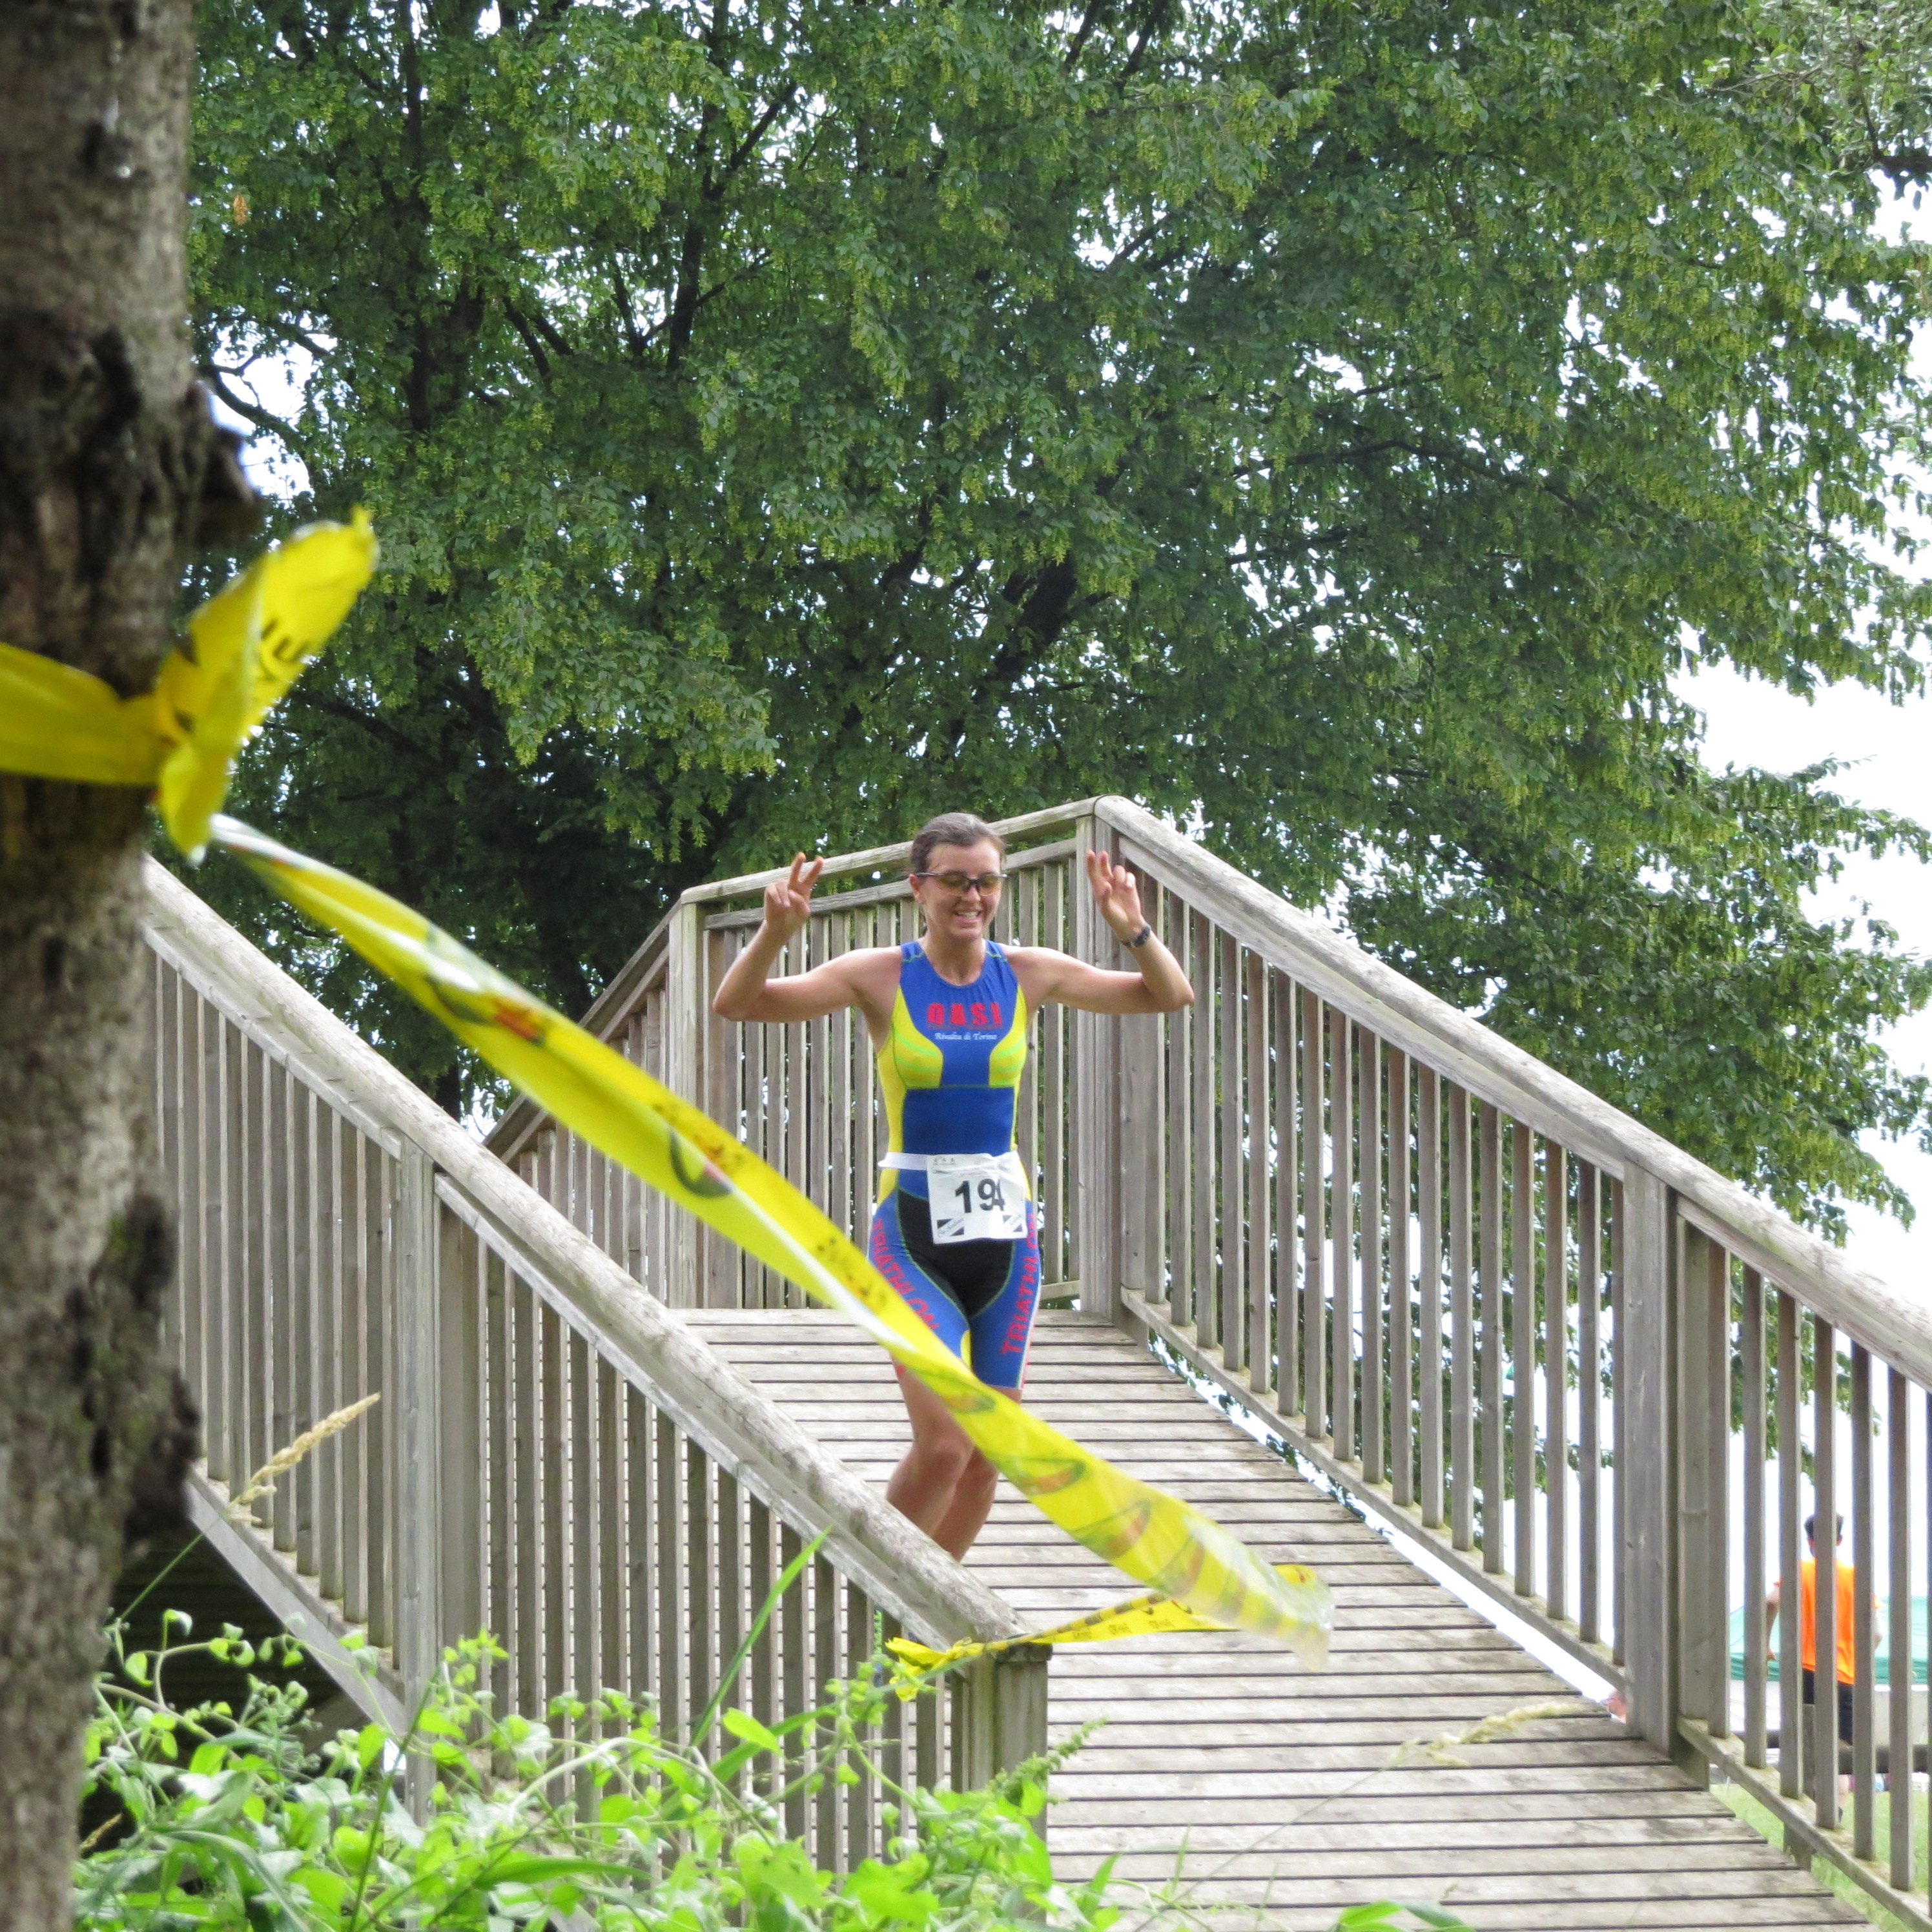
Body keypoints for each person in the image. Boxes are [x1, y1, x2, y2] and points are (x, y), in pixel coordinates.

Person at [711, 810, 1194, 1559]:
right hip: (912, 1233)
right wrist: (777, 931)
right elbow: (737, 1004)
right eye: (955, 881)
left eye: (986, 881)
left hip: (1006, 1238)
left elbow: (1169, 995)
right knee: (941, 1444)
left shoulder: (1027, 971)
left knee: (987, 1449)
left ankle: (924, 1629)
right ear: (918, 887)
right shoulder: (880, 974)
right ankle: (860, 1610)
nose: (972, 896)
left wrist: (1131, 926)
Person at [1766, 1512, 1869, 1791]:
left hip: (1806, 1670)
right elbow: (1877, 1631)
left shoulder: (1799, 1570)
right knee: (1839, 1754)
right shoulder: (1856, 1576)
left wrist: (1765, 1643)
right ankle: (1835, 1817)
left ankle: (1811, 1810)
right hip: (1844, 1674)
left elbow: (1772, 1601)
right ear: (1839, 1540)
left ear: (1810, 1541)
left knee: (1807, 1747)